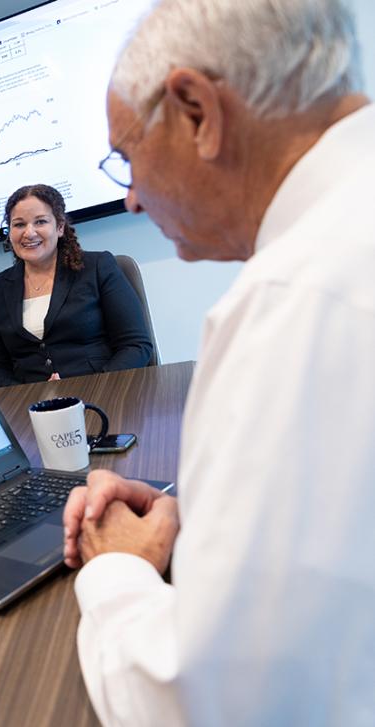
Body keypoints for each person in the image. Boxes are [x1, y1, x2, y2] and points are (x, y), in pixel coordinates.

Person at [61, 0, 375, 723]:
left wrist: (116, 566)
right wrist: (197, 512)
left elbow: (201, 702)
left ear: (197, 111)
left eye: (128, 157)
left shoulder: (297, 301)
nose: (133, 198)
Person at [0, 183, 153, 387]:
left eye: (40, 222)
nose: (29, 233)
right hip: (33, 404)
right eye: (19, 224)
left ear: (60, 227)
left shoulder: (97, 267)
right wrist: (30, 395)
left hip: (102, 391)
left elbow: (135, 345)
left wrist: (94, 386)